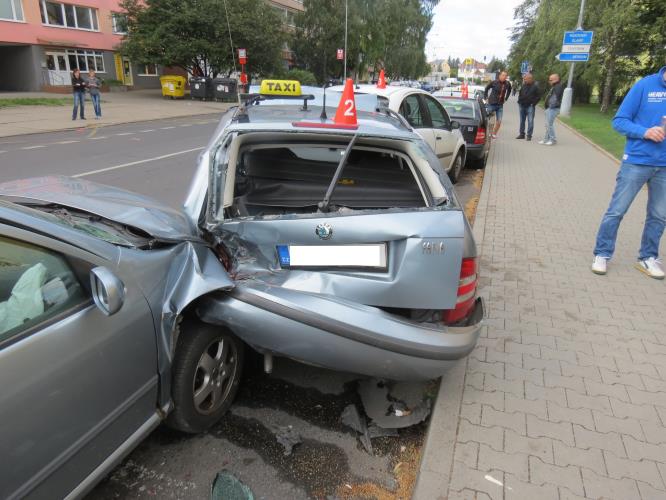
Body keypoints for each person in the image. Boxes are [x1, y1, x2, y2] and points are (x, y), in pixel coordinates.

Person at [591, 65, 666, 279]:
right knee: (617, 210)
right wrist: (645, 132)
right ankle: (602, 254)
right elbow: (619, 121)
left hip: (664, 165)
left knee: (659, 215)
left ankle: (648, 257)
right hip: (637, 161)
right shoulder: (644, 86)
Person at [484, 71, 512, 138]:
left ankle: (494, 134)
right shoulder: (494, 82)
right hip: (491, 104)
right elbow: (486, 88)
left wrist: (506, 98)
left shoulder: (507, 84)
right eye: (502, 75)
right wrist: (486, 97)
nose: (504, 77)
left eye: (505, 75)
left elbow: (509, 90)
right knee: (488, 120)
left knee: (499, 121)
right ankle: (487, 133)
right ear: (499, 76)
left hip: (500, 105)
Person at [539, 74, 564, 145]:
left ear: (556, 79)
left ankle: (553, 140)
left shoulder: (558, 86)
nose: (549, 81)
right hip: (550, 108)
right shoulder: (555, 86)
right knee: (548, 124)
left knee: (549, 124)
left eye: (550, 80)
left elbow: (555, 98)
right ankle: (546, 139)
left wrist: (550, 106)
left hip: (553, 108)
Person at [516, 73, 540, 141]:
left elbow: (538, 97)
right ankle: (521, 134)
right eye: (524, 79)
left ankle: (529, 135)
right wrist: (519, 101)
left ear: (530, 79)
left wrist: (533, 104)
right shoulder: (523, 85)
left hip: (530, 106)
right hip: (522, 105)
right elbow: (520, 94)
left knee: (530, 121)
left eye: (526, 79)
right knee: (522, 121)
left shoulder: (535, 87)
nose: (525, 80)